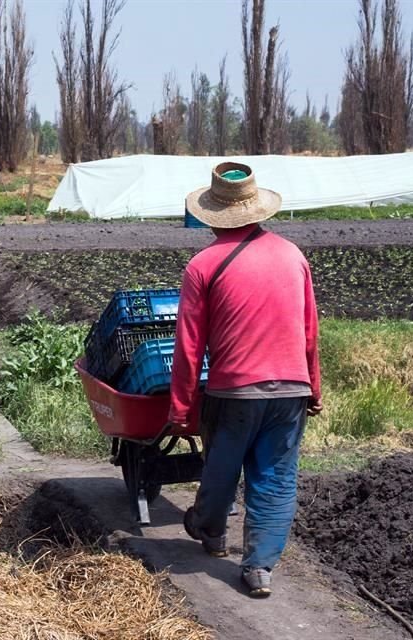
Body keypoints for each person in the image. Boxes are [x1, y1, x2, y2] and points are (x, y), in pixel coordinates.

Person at [168, 162, 322, 598]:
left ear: (212, 213)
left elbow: (189, 345)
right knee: (276, 477)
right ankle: (259, 568)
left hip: (233, 389)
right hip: (291, 389)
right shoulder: (293, 255)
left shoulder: (203, 265)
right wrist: (314, 388)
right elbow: (309, 332)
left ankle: (210, 530)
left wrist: (182, 409)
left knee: (221, 467)